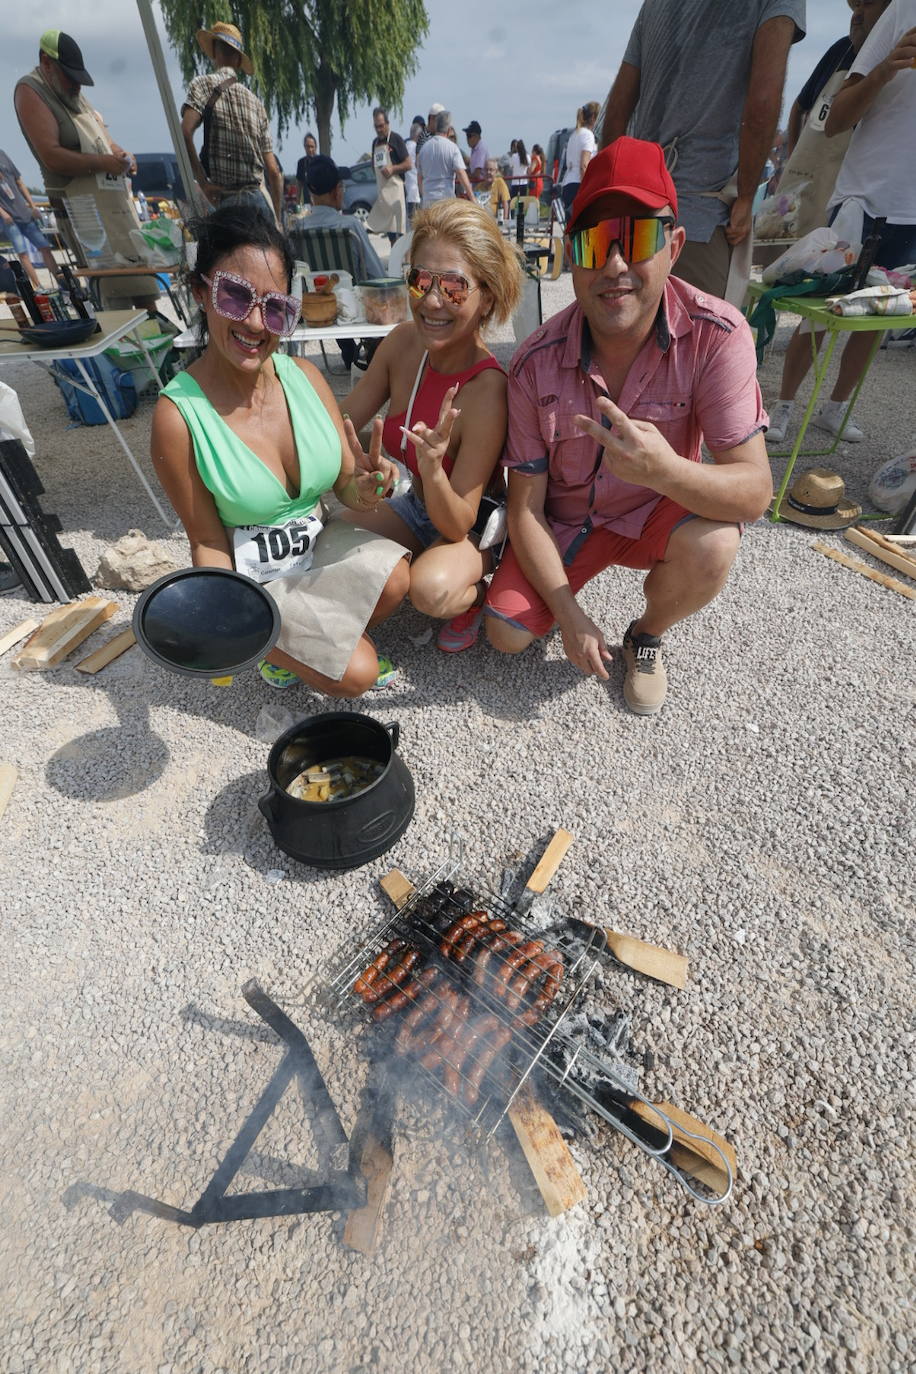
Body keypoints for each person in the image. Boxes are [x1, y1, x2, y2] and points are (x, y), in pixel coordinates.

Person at [484, 137, 772, 716]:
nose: (614, 265)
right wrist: (569, 615)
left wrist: (663, 470)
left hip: (653, 512)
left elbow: (754, 491)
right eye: (594, 243)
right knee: (506, 635)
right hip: (569, 521)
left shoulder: (718, 336)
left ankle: (646, 635)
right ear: (574, 256)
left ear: (674, 246)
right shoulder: (534, 360)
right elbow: (526, 509)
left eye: (637, 238)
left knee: (715, 544)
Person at [151, 206, 409, 697]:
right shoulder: (177, 416)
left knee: (397, 577)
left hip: (316, 547)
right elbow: (206, 542)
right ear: (201, 291)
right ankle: (277, 648)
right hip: (259, 579)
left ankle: (311, 640)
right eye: (234, 296)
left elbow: (347, 489)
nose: (255, 323)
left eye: (275, 308)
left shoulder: (307, 378)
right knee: (357, 676)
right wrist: (231, 619)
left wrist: (372, 484)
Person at [338, 199, 523, 653]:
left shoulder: (486, 390)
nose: (433, 301)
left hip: (470, 521)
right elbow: (339, 423)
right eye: (421, 281)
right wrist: (351, 470)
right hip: (412, 501)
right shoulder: (403, 343)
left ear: (488, 298)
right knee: (328, 542)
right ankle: (416, 561)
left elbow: (459, 521)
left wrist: (434, 468)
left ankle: (479, 593)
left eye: (455, 287)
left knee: (431, 590)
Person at [767, 0, 910, 446]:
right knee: (818, 314)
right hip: (862, 199)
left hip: (909, 210)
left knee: (876, 319)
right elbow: (832, 118)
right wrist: (887, 67)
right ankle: (785, 406)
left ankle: (835, 409)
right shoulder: (901, 12)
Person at [601, 0, 806, 306]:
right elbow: (763, 99)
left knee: (635, 345)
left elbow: (618, 107)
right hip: (704, 213)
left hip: (638, 207)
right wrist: (747, 195)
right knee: (701, 345)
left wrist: (613, 198)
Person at [14, 29, 159, 310]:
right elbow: (52, 156)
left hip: (115, 210)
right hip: (83, 214)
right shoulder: (31, 90)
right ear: (47, 62)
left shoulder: (74, 94)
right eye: (70, 77)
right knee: (112, 298)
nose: (76, 85)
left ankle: (159, 344)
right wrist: (105, 163)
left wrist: (121, 155)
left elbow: (106, 141)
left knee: (143, 287)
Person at [777, 0, 892, 240]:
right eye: (855, 6)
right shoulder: (841, 51)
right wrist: (792, 160)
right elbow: (799, 106)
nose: (857, 15)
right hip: (803, 190)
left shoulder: (894, 62)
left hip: (853, 200)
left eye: (866, 5)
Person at [180, 22, 282, 223]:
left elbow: (184, 132)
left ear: (215, 53)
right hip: (257, 201)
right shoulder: (256, 102)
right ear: (238, 61)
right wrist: (277, 218)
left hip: (227, 203)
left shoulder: (202, 85)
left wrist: (203, 182)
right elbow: (274, 171)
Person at [303, 156, 386, 280]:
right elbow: (378, 276)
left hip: (312, 298)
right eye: (342, 186)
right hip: (351, 298)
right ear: (337, 191)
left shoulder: (299, 229)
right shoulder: (351, 227)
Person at [0, 148, 60, 289]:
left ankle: (60, 280)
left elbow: (19, 182)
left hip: (24, 213)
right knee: (23, 253)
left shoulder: (3, 154)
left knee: (44, 247)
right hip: (10, 220)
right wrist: (3, 213)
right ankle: (38, 286)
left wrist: (33, 206)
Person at [366, 107, 410, 244]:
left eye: (381, 126)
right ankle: (395, 263)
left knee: (402, 232)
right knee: (391, 236)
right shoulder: (375, 143)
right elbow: (375, 165)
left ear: (387, 123)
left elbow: (409, 164)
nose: (379, 129)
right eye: (376, 126)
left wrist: (393, 168)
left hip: (398, 194)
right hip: (384, 196)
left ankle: (406, 263)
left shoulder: (396, 139)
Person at [417, 112, 474, 205]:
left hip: (428, 199)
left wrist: (424, 195)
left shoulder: (424, 149)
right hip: (445, 198)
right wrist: (472, 198)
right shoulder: (452, 148)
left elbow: (419, 178)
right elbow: (461, 173)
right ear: (448, 129)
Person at [561, 102, 600, 215]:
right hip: (579, 184)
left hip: (568, 184)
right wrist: (586, 189)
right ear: (593, 118)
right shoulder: (588, 135)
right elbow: (584, 165)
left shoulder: (574, 135)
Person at [463, 121, 490, 192]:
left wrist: (462, 175)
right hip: (477, 187)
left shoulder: (480, 149)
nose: (467, 139)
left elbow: (477, 174)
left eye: (469, 136)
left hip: (481, 188)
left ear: (476, 136)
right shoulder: (475, 149)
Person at [405, 122, 422, 225]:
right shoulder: (417, 149)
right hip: (416, 192)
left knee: (410, 223)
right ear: (418, 136)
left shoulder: (405, 147)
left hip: (408, 191)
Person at [295, 131, 318, 204]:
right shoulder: (301, 163)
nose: (310, 149)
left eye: (312, 147)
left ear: (316, 147)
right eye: (308, 147)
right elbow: (299, 184)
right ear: (304, 147)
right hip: (307, 202)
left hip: (320, 202)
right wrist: (297, 203)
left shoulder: (321, 162)